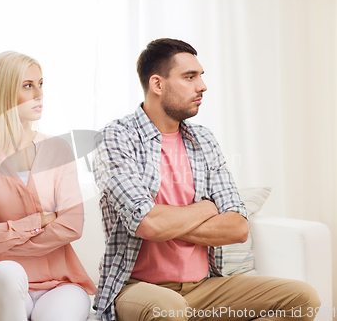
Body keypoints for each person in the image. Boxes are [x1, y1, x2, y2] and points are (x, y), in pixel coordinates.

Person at [92, 38, 321, 321]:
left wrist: (163, 223)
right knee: (169, 309)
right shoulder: (116, 137)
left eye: (200, 76)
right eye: (190, 77)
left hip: (205, 287)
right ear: (158, 85)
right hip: (140, 289)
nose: (202, 86)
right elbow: (148, 223)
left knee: (302, 298)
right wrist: (207, 208)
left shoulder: (203, 140)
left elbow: (237, 228)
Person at [0, 51, 97, 321]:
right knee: (9, 271)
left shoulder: (58, 150)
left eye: (41, 84)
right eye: (28, 86)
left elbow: (71, 225)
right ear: (3, 93)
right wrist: (41, 220)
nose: (39, 94)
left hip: (59, 285)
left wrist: (2, 239)